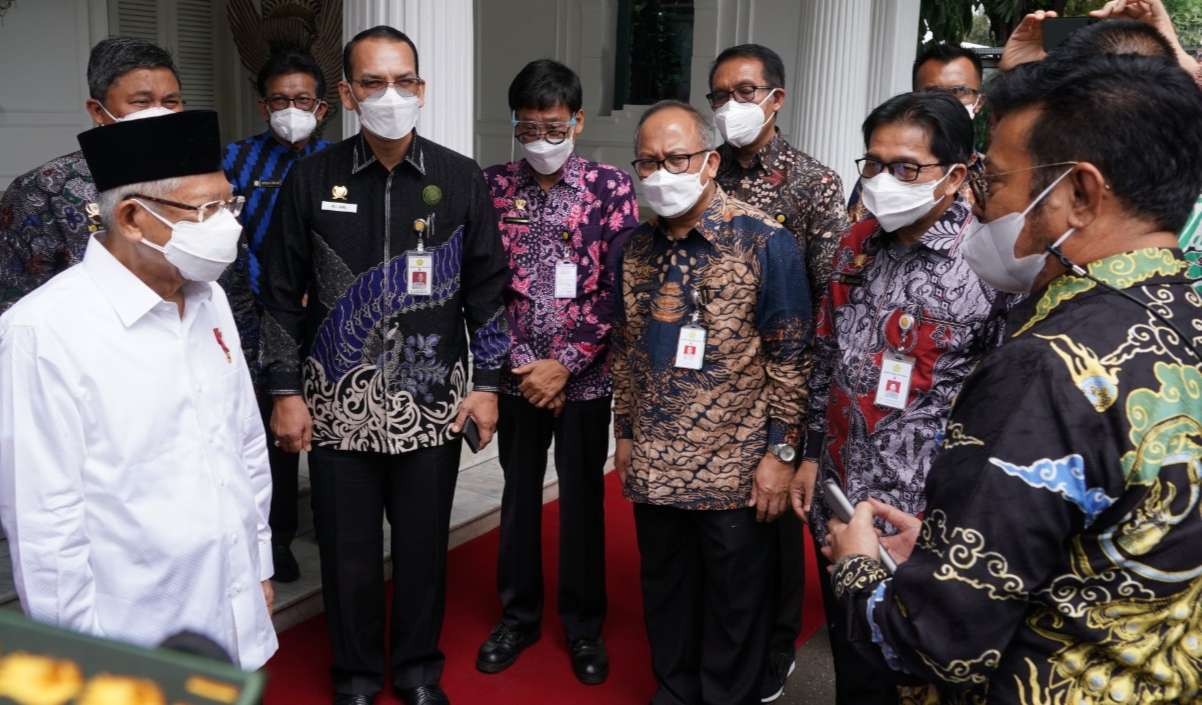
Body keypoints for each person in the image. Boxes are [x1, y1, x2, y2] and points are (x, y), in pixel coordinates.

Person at [823, 53, 1202, 705]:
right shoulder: (1184, 312)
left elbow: (936, 641)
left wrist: (858, 565)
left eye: (994, 179)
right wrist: (954, 546)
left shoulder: (1049, 362)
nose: (980, 200)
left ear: (1079, 194)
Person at [259, 26, 509, 705]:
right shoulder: (311, 178)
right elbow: (280, 294)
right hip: (336, 406)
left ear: (422, 89)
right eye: (372, 82)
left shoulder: (460, 179)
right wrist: (285, 389)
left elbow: (488, 293)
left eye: (402, 81)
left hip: (431, 403)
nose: (389, 95)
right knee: (348, 555)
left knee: (426, 549)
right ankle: (357, 676)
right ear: (346, 93)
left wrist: (487, 386)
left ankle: (419, 670)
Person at [0, 110, 277, 670]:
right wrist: (78, 659)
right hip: (134, 632)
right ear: (131, 217)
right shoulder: (44, 331)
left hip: (234, 597)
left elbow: (244, 440)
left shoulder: (210, 297)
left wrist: (258, 565)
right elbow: (45, 523)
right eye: (206, 211)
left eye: (229, 205)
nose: (227, 225)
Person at [791, 92, 1010, 705]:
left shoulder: (991, 265)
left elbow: (1003, 401)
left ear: (956, 174)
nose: (885, 182)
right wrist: (809, 453)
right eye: (873, 164)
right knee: (853, 664)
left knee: (914, 677)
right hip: (840, 499)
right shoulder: (854, 243)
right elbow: (824, 355)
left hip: (925, 521)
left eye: (906, 168)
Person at [613, 99, 810, 705]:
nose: (661, 173)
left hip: (734, 465)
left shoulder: (765, 242)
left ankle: (728, 695)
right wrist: (624, 433)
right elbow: (626, 351)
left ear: (710, 161)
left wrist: (781, 454)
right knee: (666, 588)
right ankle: (675, 688)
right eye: (648, 162)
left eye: (677, 158)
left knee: (733, 600)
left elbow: (793, 360)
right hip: (655, 458)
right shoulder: (635, 248)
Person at [476, 59, 638, 684]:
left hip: (585, 380)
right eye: (527, 128)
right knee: (516, 500)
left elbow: (616, 287)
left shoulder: (609, 187)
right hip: (518, 380)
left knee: (580, 505)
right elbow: (484, 286)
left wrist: (564, 364)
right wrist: (520, 365)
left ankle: (583, 626)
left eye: (552, 126)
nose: (540, 139)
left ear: (577, 120)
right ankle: (516, 617)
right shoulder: (491, 187)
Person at [706, 42, 845, 702]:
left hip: (778, 387)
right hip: (710, 386)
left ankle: (777, 646)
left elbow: (827, 302)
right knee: (721, 529)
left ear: (775, 98)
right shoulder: (705, 173)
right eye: (719, 95)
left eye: (743, 91)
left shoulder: (812, 185)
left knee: (776, 528)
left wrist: (801, 429)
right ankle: (724, 639)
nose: (730, 107)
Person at [221, 46, 333, 583]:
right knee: (274, 429)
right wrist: (270, 296)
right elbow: (224, 240)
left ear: (323, 107)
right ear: (264, 106)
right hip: (259, 315)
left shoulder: (339, 162)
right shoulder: (235, 162)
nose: (292, 108)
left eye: (303, 99)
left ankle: (336, 523)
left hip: (328, 317)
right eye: (280, 99)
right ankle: (277, 535)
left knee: (330, 420)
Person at [0, 37, 182, 314]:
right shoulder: (45, 188)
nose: (158, 113)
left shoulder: (198, 179)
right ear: (97, 110)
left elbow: (230, 280)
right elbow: (16, 298)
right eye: (141, 102)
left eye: (170, 102)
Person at [849, 42, 988, 224]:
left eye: (958, 91)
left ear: (979, 101)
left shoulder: (997, 178)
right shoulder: (879, 174)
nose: (945, 102)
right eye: (931, 93)